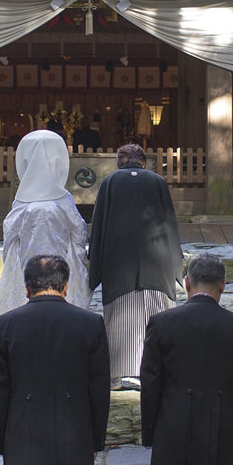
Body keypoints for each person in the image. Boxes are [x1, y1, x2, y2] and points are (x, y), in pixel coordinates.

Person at [0, 255, 111, 465]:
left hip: (23, 428)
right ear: (65, 286)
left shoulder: (4, 326)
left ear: (26, 288)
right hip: (75, 428)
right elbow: (99, 388)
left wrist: (4, 440)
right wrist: (95, 439)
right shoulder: (90, 324)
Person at [140, 255, 233, 465]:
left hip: (174, 423)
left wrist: (152, 433)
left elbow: (151, 384)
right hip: (224, 425)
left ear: (187, 283)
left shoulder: (162, 324)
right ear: (223, 285)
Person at [87, 143, 183, 390]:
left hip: (118, 260)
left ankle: (122, 372)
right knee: (158, 310)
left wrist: (94, 266)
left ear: (120, 162)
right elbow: (169, 222)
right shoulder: (157, 181)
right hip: (158, 258)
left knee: (122, 313)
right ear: (143, 162)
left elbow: (98, 225)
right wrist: (176, 263)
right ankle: (160, 369)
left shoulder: (109, 183)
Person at [0, 130, 91, 315]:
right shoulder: (63, 200)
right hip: (62, 268)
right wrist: (79, 263)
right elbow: (79, 235)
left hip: (27, 268)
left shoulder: (22, 201)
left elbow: (9, 241)